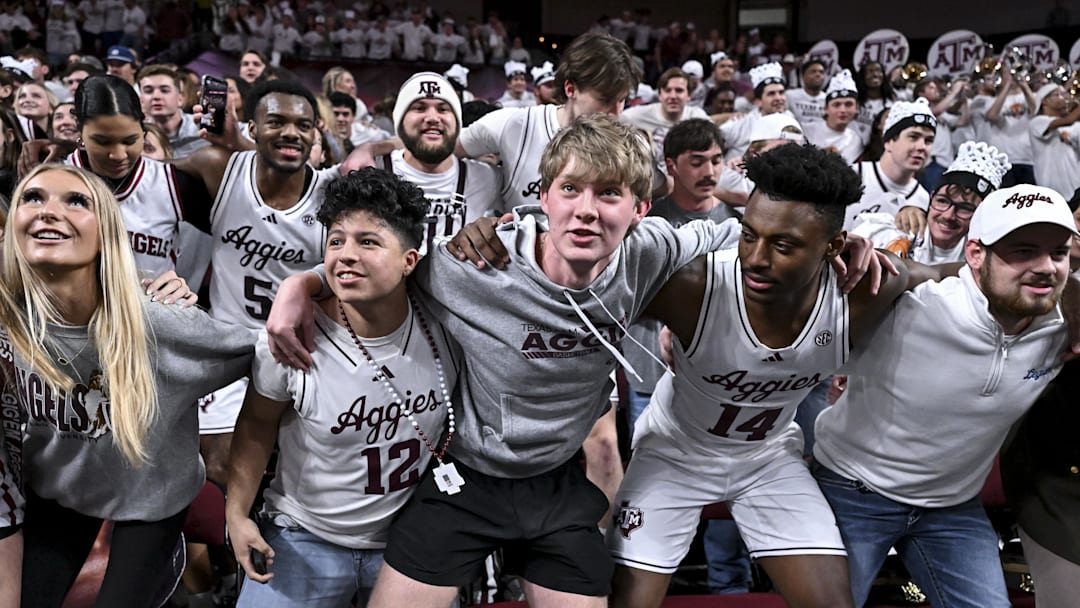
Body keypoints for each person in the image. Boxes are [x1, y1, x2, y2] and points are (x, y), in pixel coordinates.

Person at [813, 183, 1080, 607]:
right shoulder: (915, 304)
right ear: (975, 255)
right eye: (1023, 251)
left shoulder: (1063, 323)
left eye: (1058, 253)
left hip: (952, 508)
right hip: (853, 491)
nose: (1045, 267)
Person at [0, 164, 255, 607]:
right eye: (33, 197)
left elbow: (265, 357)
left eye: (76, 201)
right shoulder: (8, 314)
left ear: (108, 232)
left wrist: (311, 286)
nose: (48, 211)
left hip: (146, 510)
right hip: (54, 499)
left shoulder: (159, 321)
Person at [227, 168, 460, 607]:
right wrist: (237, 514)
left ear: (410, 260)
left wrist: (302, 280)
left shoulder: (448, 321)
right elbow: (257, 425)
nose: (345, 255)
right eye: (336, 241)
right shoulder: (289, 337)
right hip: (304, 537)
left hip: (411, 543)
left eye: (368, 242)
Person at [376, 72, 502, 256]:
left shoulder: (487, 177)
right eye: (419, 108)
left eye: (443, 109)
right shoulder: (371, 169)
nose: (433, 117)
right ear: (400, 121)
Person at [855, 142, 1011, 263]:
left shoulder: (985, 258)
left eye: (965, 208)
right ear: (931, 198)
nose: (949, 215)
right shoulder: (900, 230)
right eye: (942, 201)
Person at [844, 97, 934, 230]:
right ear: (889, 142)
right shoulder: (852, 175)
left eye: (928, 140)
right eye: (913, 137)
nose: (922, 146)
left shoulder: (922, 199)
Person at [719, 62, 790, 161]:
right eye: (771, 94)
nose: (778, 98)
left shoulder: (790, 119)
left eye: (781, 92)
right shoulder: (743, 122)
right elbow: (713, 141)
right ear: (758, 102)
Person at [136, 64, 208, 158]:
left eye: (165, 90)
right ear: (141, 100)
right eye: (148, 91)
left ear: (180, 99)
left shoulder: (202, 129)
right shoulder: (137, 135)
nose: (156, 96)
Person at [1029, 83, 1080, 199]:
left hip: (1076, 188)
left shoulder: (1076, 126)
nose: (1064, 98)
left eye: (1063, 94)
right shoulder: (1037, 122)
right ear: (1044, 101)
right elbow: (1068, 120)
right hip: (1051, 193)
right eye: (1057, 95)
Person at [802, 69, 863, 163]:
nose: (842, 110)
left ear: (856, 108)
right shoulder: (806, 131)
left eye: (848, 104)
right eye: (837, 104)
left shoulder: (856, 140)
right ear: (826, 108)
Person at [784, 59, 827, 127]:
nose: (818, 74)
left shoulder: (828, 99)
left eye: (821, 72)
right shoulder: (789, 96)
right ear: (803, 77)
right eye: (813, 72)